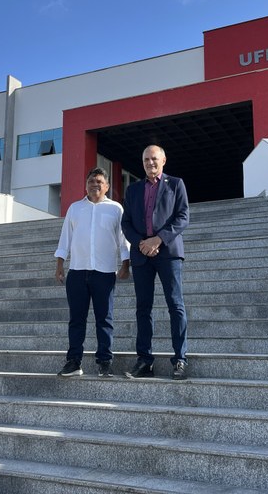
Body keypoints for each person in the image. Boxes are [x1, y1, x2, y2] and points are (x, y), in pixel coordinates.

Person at [121, 145, 190, 380]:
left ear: (163, 160)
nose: (150, 163)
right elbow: (126, 223)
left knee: (175, 304)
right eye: (146, 160)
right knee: (143, 308)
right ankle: (144, 361)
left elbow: (183, 216)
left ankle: (180, 359)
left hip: (168, 253)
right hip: (142, 254)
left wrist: (158, 239)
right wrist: (141, 243)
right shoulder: (133, 190)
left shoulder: (176, 184)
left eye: (154, 159)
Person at [55, 167, 130, 377]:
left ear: (107, 186)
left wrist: (126, 264)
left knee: (104, 319)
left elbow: (123, 239)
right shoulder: (75, 208)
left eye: (99, 182)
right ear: (85, 185)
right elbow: (65, 238)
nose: (94, 185)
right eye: (91, 181)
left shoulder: (116, 209)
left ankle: (105, 362)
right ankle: (73, 362)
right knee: (76, 319)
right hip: (77, 271)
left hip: (104, 272)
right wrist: (60, 265)